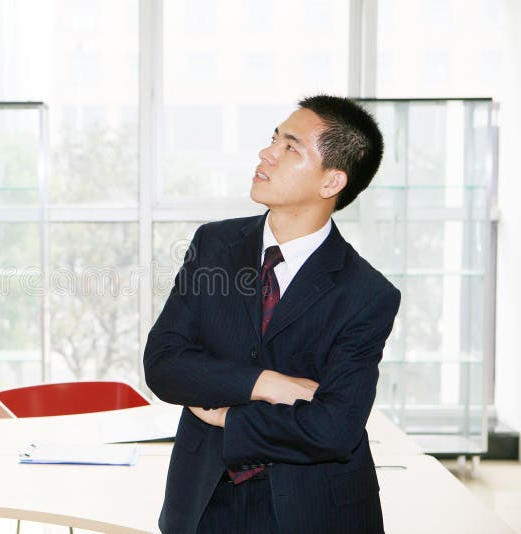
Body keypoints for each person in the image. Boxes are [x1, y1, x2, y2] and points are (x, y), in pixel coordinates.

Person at [143, 95, 401, 534]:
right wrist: (270, 386)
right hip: (204, 500)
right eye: (273, 139)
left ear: (331, 182)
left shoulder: (367, 293)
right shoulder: (213, 246)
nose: (267, 154)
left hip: (312, 508)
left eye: (290, 148)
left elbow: (335, 428)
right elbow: (164, 363)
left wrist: (229, 415)